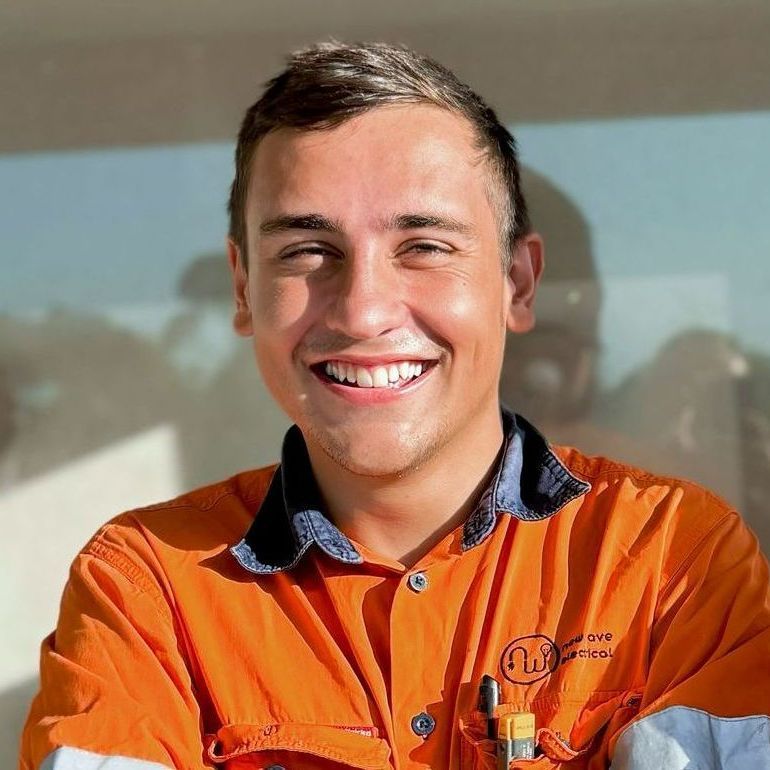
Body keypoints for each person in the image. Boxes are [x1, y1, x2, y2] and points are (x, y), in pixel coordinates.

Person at [19, 41, 770, 770]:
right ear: (245, 288)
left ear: (517, 283)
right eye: (307, 251)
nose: (364, 311)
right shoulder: (147, 590)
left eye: (424, 247)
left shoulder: (673, 560)